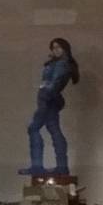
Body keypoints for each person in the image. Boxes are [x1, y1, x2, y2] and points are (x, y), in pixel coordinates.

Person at [25, 37, 79, 177]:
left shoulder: (61, 64)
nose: (55, 50)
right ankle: (61, 167)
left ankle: (38, 166)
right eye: (53, 47)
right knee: (54, 130)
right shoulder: (59, 63)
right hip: (50, 99)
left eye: (58, 47)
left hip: (47, 99)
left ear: (65, 48)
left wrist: (45, 89)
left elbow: (54, 83)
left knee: (34, 128)